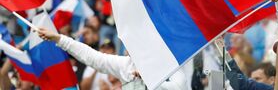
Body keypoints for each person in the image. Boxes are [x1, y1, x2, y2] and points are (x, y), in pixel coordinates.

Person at [36, 27, 187, 89]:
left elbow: (179, 87)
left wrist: (149, 78)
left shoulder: (171, 66)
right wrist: (59, 38)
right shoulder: (126, 64)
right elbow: (92, 57)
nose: (128, 49)